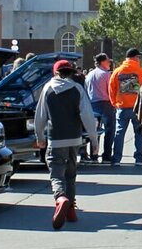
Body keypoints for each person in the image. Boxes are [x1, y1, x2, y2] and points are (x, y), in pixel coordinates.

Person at [33, 59, 99, 230]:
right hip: (75, 138)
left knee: (56, 174)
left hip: (55, 138)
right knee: (71, 174)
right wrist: (94, 139)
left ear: (55, 72)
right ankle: (70, 211)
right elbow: (87, 116)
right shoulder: (77, 89)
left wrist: (39, 137)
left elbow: (40, 116)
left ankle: (60, 198)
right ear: (71, 72)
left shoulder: (47, 88)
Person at [108, 47, 142, 165]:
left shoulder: (117, 71)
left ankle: (116, 158)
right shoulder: (141, 71)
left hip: (122, 106)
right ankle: (139, 158)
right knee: (139, 133)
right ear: (135, 57)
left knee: (119, 133)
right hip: (137, 107)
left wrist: (114, 103)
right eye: (139, 57)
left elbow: (111, 88)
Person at [84, 53, 116, 163]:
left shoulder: (89, 75)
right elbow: (110, 91)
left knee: (94, 131)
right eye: (108, 61)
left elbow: (86, 91)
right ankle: (106, 155)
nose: (109, 63)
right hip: (106, 103)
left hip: (92, 104)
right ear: (102, 62)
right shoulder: (106, 75)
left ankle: (94, 155)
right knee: (109, 130)